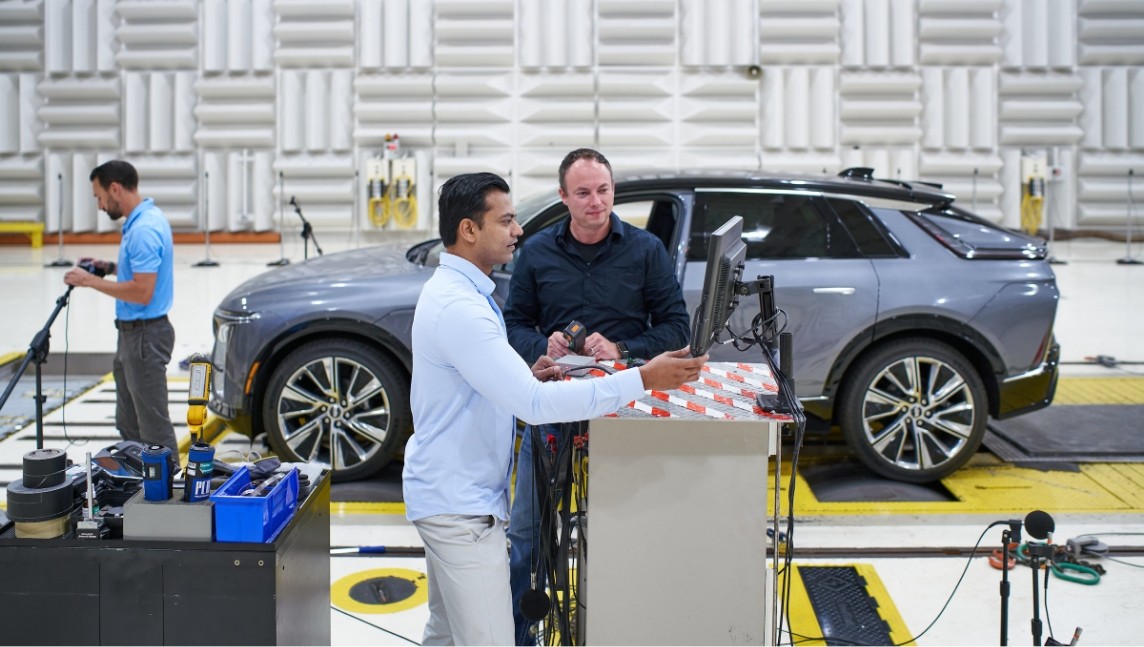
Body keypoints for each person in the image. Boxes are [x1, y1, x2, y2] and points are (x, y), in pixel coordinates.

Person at [402, 172, 705, 645]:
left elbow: (493, 385)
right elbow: (536, 406)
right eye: (505, 221)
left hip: (451, 496)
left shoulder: (461, 294)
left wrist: (528, 373)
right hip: (460, 510)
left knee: (444, 635)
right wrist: (642, 377)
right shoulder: (461, 308)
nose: (517, 230)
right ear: (468, 230)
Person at [503, 148, 690, 644]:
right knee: (527, 534)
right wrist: (542, 344)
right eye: (583, 192)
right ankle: (524, 635)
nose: (596, 201)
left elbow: (676, 326)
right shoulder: (537, 252)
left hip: (620, 406)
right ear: (564, 196)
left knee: (625, 534)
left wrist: (623, 347)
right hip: (550, 408)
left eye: (603, 190)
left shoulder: (646, 250)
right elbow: (512, 325)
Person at [63, 160, 177, 460]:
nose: (100, 205)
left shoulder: (143, 229)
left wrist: (88, 281)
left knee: (154, 429)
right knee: (129, 424)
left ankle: (170, 497)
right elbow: (141, 276)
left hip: (144, 337)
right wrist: (110, 268)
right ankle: (143, 486)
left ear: (115, 188)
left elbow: (142, 291)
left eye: (99, 197)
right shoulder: (145, 219)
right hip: (133, 336)